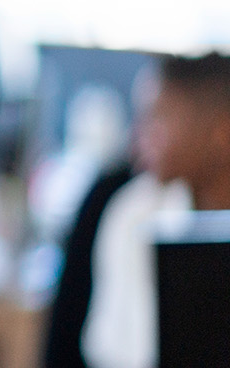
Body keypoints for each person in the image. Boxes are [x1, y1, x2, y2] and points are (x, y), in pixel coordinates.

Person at [46, 52, 230, 368]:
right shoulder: (134, 213)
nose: (139, 137)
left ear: (221, 131)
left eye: (157, 119)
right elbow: (116, 351)